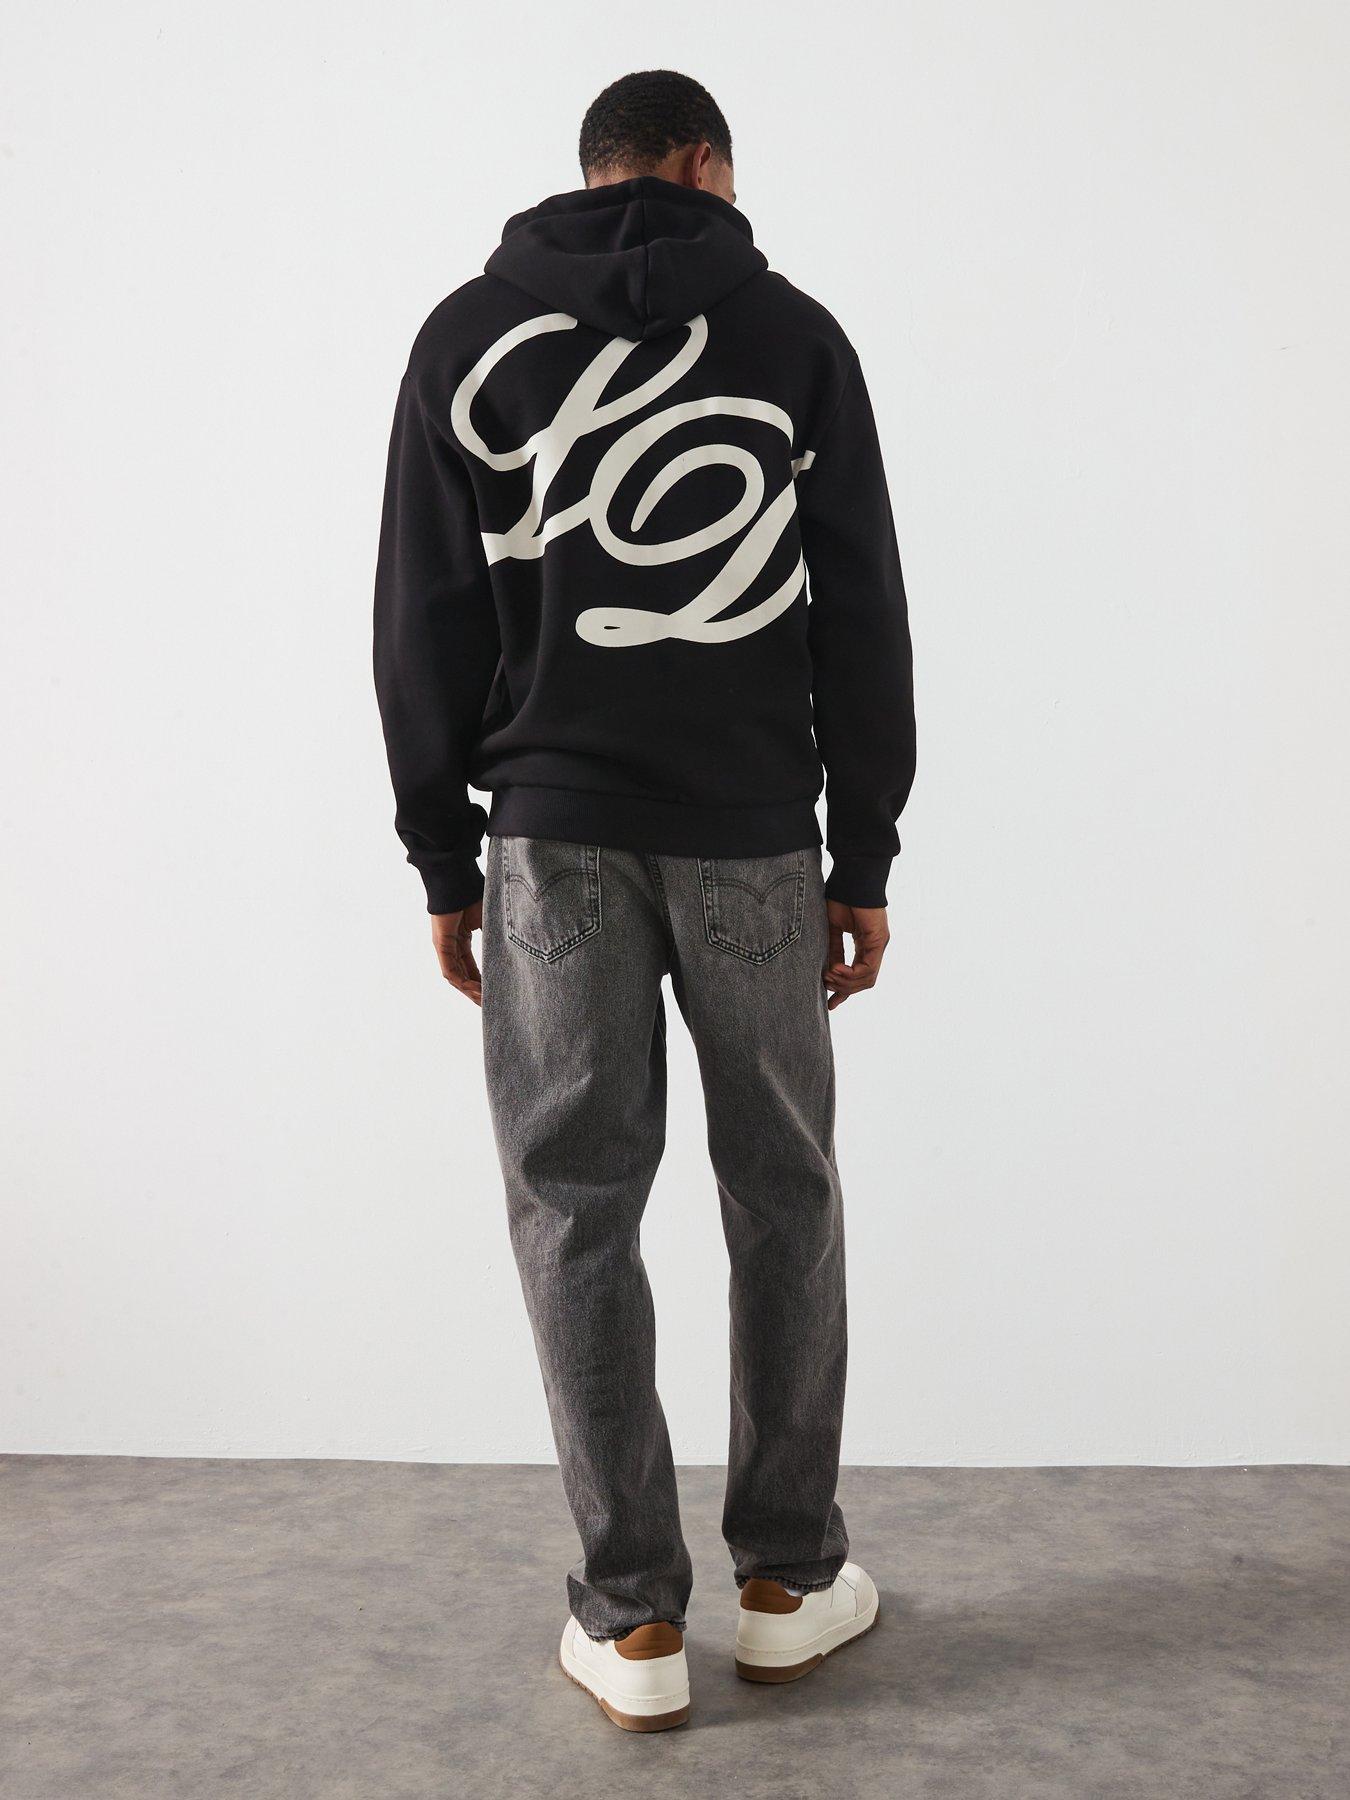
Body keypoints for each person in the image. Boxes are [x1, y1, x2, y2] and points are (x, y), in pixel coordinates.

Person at [374, 67, 916, 1733]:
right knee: (783, 1194)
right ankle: (785, 1583)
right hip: (752, 834)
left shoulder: (468, 337)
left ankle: (630, 1623)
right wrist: (863, 850)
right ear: (701, 164)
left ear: (592, 168)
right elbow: (860, 609)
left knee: (573, 1204)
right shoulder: (794, 336)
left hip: (549, 839)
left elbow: (423, 611)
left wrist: (441, 853)